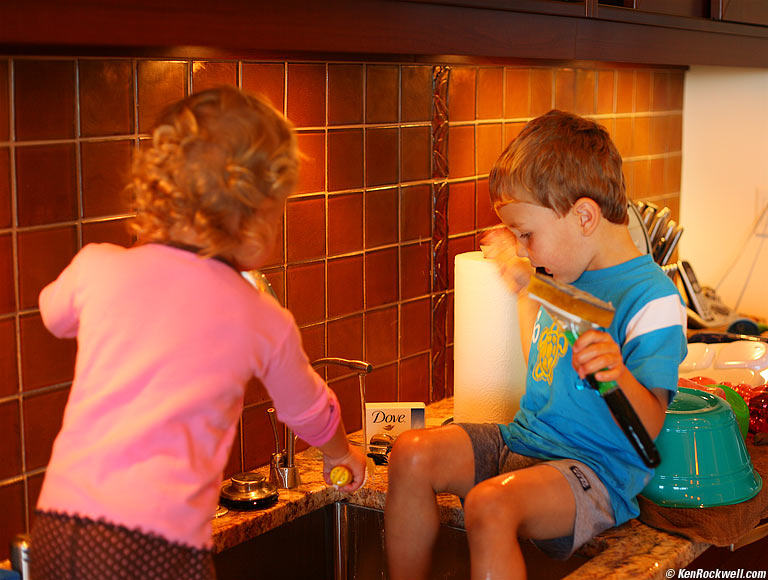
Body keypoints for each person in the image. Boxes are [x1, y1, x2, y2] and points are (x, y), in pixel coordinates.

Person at [30, 86, 366, 580]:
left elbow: (52, 314)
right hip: (157, 544)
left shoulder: (98, 265)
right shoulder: (261, 316)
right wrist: (342, 452)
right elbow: (309, 410)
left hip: (58, 528)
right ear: (254, 216)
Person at [385, 109, 687, 580]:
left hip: (591, 474)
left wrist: (618, 373)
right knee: (409, 452)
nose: (523, 248)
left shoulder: (651, 298)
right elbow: (540, 356)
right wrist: (520, 268)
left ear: (584, 215)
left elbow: (647, 427)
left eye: (528, 234)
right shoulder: (565, 276)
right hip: (523, 443)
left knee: (491, 505)